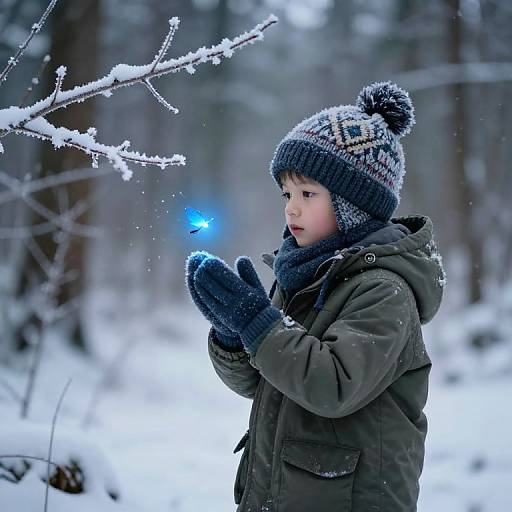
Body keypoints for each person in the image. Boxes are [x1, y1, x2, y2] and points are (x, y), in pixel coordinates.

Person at [185, 81, 446, 512]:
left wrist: (259, 324)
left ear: (353, 205)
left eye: (308, 194)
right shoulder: (302, 274)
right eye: (287, 193)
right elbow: (263, 381)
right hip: (285, 493)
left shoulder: (383, 290)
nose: (291, 208)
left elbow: (331, 385)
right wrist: (234, 336)